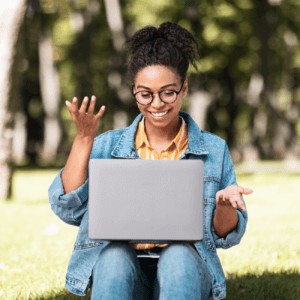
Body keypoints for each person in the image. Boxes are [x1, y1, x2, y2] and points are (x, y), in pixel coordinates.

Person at [48, 21, 253, 300]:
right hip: (123, 270)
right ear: (134, 89)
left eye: (168, 92)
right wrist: (84, 140)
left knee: (179, 255)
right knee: (113, 258)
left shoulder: (214, 150)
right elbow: (67, 208)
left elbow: (224, 236)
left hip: (186, 270)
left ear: (184, 88)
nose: (156, 104)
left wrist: (224, 205)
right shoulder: (108, 145)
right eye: (145, 94)